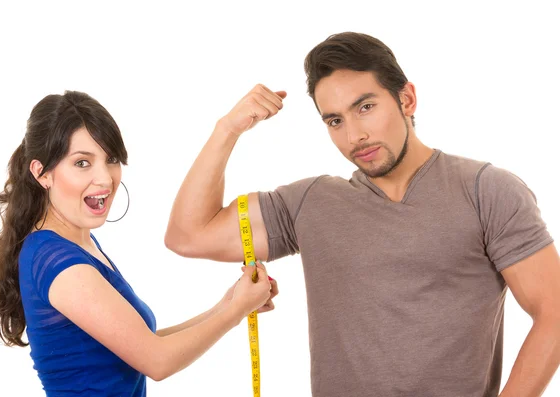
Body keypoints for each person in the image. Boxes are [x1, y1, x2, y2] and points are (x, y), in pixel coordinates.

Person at [164, 32, 560, 397]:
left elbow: (553, 312)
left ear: (406, 99)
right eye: (335, 120)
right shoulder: (311, 202)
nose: (354, 136)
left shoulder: (486, 190)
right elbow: (189, 235)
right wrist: (226, 130)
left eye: (365, 107)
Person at [0, 90, 278, 396]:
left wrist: (229, 305)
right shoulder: (56, 261)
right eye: (82, 163)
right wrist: (235, 311)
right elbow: (157, 360)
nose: (105, 179)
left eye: (110, 159)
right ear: (41, 173)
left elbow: (140, 346)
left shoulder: (77, 244)